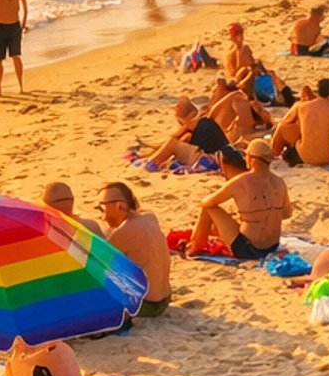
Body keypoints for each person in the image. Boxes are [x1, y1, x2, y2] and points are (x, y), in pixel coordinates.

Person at [187, 138, 291, 259]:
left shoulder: (241, 181)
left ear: (252, 159)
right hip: (272, 246)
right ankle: (199, 241)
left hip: (247, 249)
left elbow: (208, 202)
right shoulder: (280, 182)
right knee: (240, 220)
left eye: (246, 155)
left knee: (208, 208)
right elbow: (286, 214)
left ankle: (196, 246)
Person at [99, 181, 172, 314]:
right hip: (165, 298)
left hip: (148, 305)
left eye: (102, 207)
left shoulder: (124, 231)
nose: (101, 214)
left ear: (120, 205)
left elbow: (99, 262)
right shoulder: (150, 217)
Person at [143, 96, 245, 174]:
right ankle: (150, 160)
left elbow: (173, 140)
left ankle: (151, 164)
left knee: (173, 144)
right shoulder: (206, 121)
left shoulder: (192, 127)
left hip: (211, 159)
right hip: (223, 154)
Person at [270, 77, 329, 167]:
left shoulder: (302, 107)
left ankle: (274, 153)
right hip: (327, 157)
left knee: (282, 127)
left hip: (303, 156)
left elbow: (286, 122)